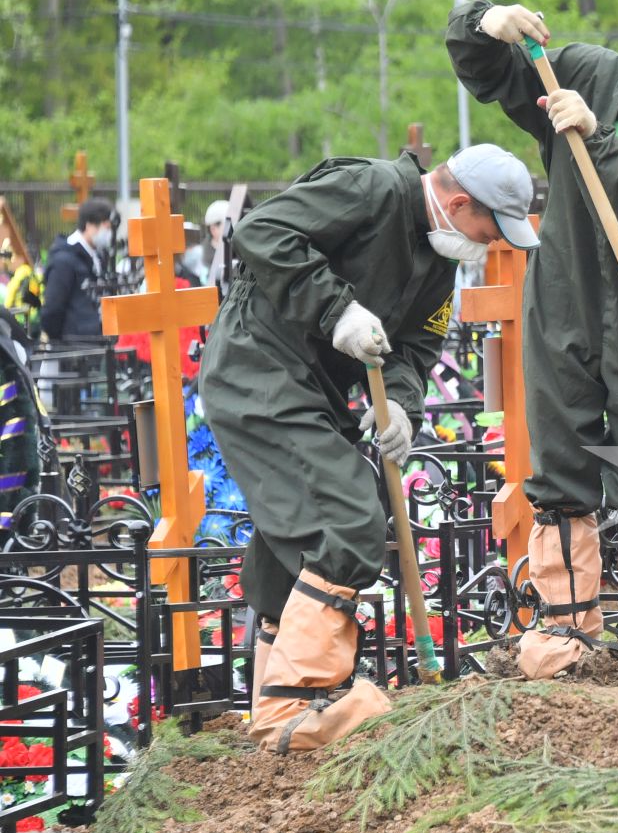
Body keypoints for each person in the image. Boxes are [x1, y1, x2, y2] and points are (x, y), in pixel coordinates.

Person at [201, 144, 538, 754]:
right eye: (489, 231)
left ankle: (276, 700)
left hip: (312, 386)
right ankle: (298, 707)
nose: (490, 247)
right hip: (258, 369)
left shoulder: (440, 258)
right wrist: (337, 308)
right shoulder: (374, 188)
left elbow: (414, 347)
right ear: (459, 203)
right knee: (350, 517)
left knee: (300, 533)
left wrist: (404, 404)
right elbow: (262, 231)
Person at [447, 0, 618, 686]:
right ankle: (564, 621)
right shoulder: (579, 71)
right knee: (561, 455)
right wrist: (485, 22)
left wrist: (597, 138)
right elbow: (490, 76)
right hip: (565, 296)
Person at [40, 198, 114, 341]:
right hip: (74, 347)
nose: (108, 232)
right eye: (106, 227)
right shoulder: (64, 260)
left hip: (95, 342)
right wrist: (61, 341)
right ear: (89, 225)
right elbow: (53, 308)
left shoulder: (96, 256)